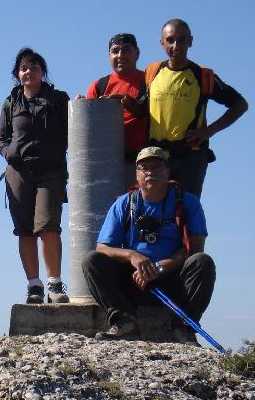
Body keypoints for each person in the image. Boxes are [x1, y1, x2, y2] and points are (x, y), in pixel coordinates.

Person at [81, 147, 216, 344]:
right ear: (136, 174)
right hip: (134, 279)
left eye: (156, 166)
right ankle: (124, 321)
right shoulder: (124, 204)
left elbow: (194, 249)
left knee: (202, 262)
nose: (150, 172)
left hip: (171, 280)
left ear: (167, 171)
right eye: (144, 167)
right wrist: (132, 257)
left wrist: (160, 267)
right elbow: (103, 247)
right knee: (91, 260)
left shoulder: (187, 202)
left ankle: (184, 328)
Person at [0, 47, 70, 305]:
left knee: (48, 226)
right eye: (24, 68)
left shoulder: (59, 99)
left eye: (34, 67)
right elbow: (0, 138)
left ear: (43, 71)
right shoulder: (10, 102)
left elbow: (72, 131)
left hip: (51, 172)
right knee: (25, 230)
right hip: (18, 174)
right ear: (17, 73)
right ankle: (34, 286)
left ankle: (54, 284)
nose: (29, 72)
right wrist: (9, 153)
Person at [145, 18, 249, 197]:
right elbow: (139, 106)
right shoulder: (152, 73)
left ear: (190, 41)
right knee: (155, 214)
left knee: (186, 212)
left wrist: (208, 131)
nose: (176, 45)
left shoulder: (202, 76)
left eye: (182, 39)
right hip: (157, 157)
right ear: (161, 43)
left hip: (190, 158)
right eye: (170, 40)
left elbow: (240, 104)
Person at [83, 32, 148, 186]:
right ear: (109, 55)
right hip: (106, 164)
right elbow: (88, 127)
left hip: (141, 162)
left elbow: (149, 114)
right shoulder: (99, 86)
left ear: (137, 54)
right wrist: (81, 107)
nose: (120, 55)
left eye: (126, 50)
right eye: (115, 51)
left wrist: (124, 100)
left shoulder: (149, 82)